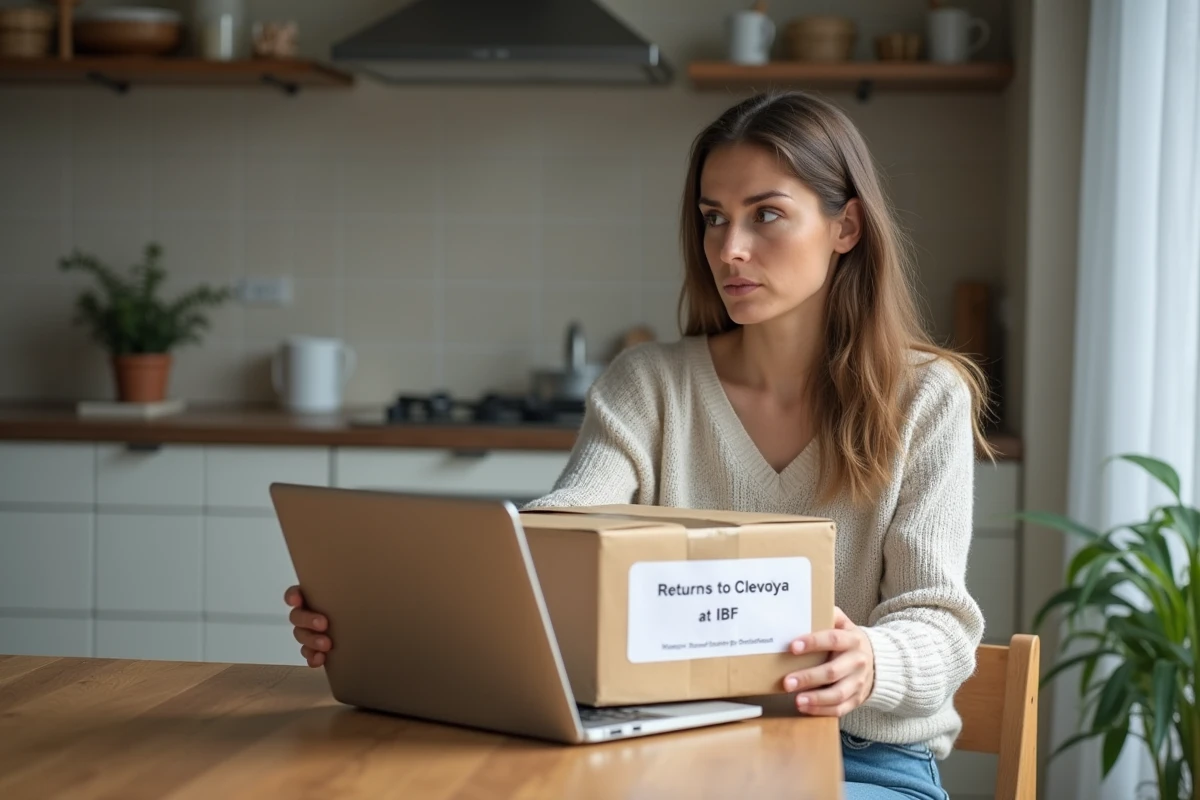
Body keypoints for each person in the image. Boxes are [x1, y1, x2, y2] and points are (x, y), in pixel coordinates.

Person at [284, 89, 990, 800]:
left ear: (846, 227)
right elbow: (559, 538)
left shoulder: (926, 398)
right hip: (671, 749)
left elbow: (939, 618)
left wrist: (872, 659)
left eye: (766, 214)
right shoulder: (648, 384)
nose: (729, 249)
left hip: (861, 759)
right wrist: (386, 619)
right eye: (713, 218)